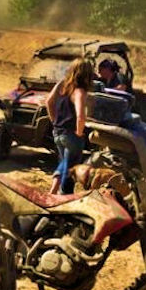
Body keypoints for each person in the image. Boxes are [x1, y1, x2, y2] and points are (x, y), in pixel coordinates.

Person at [45, 57, 95, 195]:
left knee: (64, 163)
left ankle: (53, 191)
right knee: (70, 169)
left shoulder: (62, 85)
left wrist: (54, 121)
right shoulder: (80, 91)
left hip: (58, 133)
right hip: (71, 135)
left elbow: (48, 102)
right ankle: (63, 196)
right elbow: (80, 115)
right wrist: (79, 132)